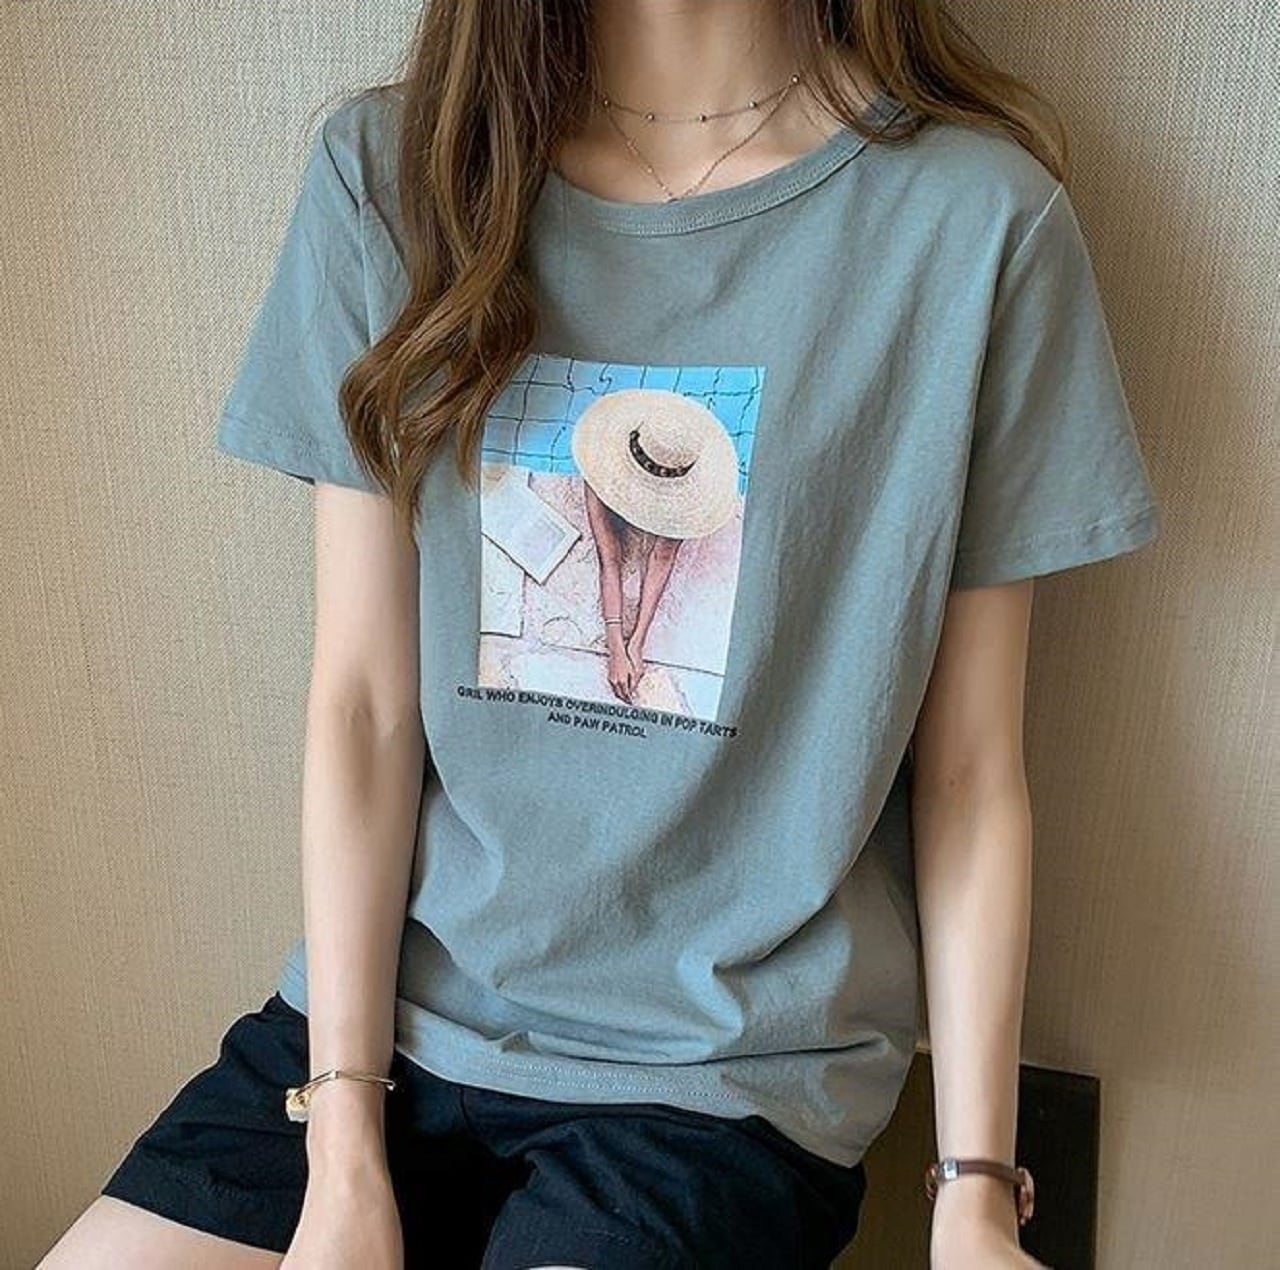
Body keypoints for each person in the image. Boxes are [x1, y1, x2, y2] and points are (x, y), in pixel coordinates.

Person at [41, 1, 1162, 1267]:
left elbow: (967, 771)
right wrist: (343, 1148)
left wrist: (973, 1197)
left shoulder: (975, 224)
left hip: (721, 1075)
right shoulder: (392, 177)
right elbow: (364, 705)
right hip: (383, 1023)